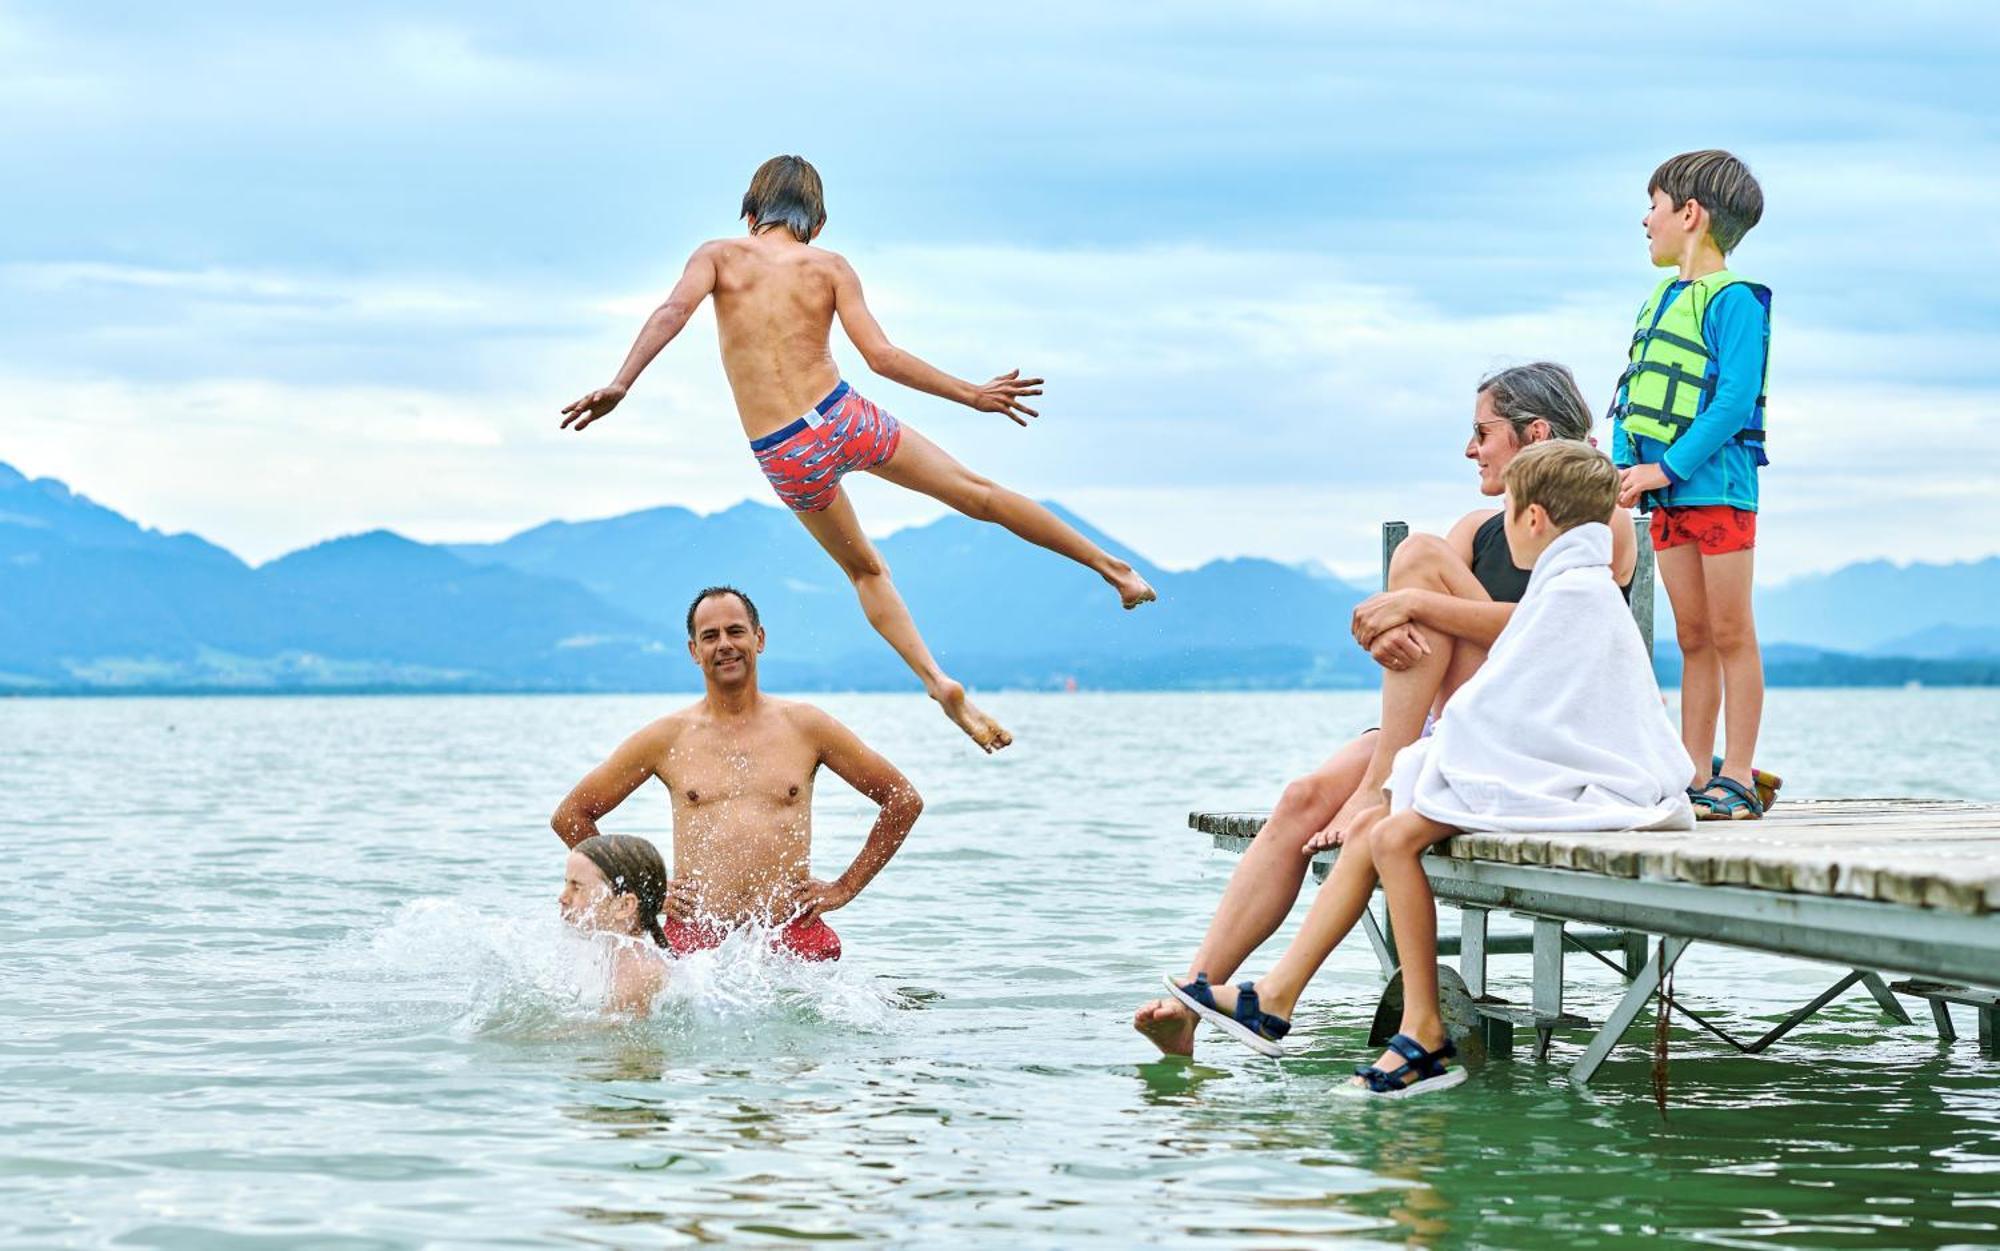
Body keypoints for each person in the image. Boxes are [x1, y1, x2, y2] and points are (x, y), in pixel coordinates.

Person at [559, 155, 1155, 753]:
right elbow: (882, 356)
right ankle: (1114, 570)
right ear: (817, 224)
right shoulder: (831, 266)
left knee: (866, 571)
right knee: (982, 496)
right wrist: (972, 395)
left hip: (785, 448)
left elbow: (673, 312)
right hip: (844, 415)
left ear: (749, 214)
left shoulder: (718, 255)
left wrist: (622, 382)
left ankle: (937, 680)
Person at [1135, 362, 1637, 1058]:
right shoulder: (1478, 527)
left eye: (1482, 432)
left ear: (1536, 432)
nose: (1471, 450)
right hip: (1445, 716)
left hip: (1524, 720)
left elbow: (1554, 630)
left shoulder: (1602, 518)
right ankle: (1198, 994)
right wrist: (1386, 626)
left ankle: (1381, 786)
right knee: (1303, 795)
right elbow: (1420, 626)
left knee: (1420, 553)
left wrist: (1417, 602)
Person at [551, 585, 923, 962]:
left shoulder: (807, 727)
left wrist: (845, 887)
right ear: (695, 651)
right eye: (710, 636)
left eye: (735, 631)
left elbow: (902, 799)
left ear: (758, 639)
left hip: (790, 931)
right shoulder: (667, 738)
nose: (724, 644)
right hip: (697, 940)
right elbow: (571, 816)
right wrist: (647, 894)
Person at [1610, 150, 1775, 820]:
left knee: (1732, 630)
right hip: (1665, 495)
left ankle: (1737, 775)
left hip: (1719, 491)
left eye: (1653, 205)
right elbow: (1634, 391)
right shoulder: (1660, 297)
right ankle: (1689, 769)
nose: (1645, 219)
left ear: (1690, 213)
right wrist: (1626, 466)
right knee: (1693, 635)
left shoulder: (1735, 302)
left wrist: (1666, 467)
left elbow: (1733, 402)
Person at [560, 833, 671, 1014]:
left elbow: (613, 1036)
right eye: (566, 884)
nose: (563, 898)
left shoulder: (637, 973)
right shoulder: (609, 955)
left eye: (577, 887)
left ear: (625, 906)